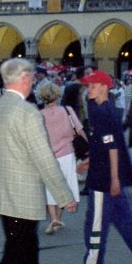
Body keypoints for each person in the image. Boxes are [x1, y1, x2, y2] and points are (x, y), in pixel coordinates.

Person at [0, 58, 77, 264]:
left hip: (3, 195)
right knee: (18, 256)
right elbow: (44, 158)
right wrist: (64, 195)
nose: (32, 80)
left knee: (25, 256)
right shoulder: (27, 112)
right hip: (25, 197)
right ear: (23, 79)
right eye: (30, 76)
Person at [68, 70, 132, 264]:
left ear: (104, 87)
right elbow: (104, 144)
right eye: (88, 85)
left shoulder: (103, 111)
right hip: (107, 173)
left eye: (93, 85)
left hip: (104, 178)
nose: (89, 89)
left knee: (95, 224)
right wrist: (91, 160)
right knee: (125, 222)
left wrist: (113, 179)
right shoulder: (101, 108)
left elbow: (111, 147)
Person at [38, 81, 84, 235]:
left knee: (49, 187)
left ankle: (52, 219)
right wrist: (89, 145)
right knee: (63, 185)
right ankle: (57, 218)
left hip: (47, 156)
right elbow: (79, 129)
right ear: (57, 95)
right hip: (66, 154)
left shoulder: (39, 115)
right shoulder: (67, 110)